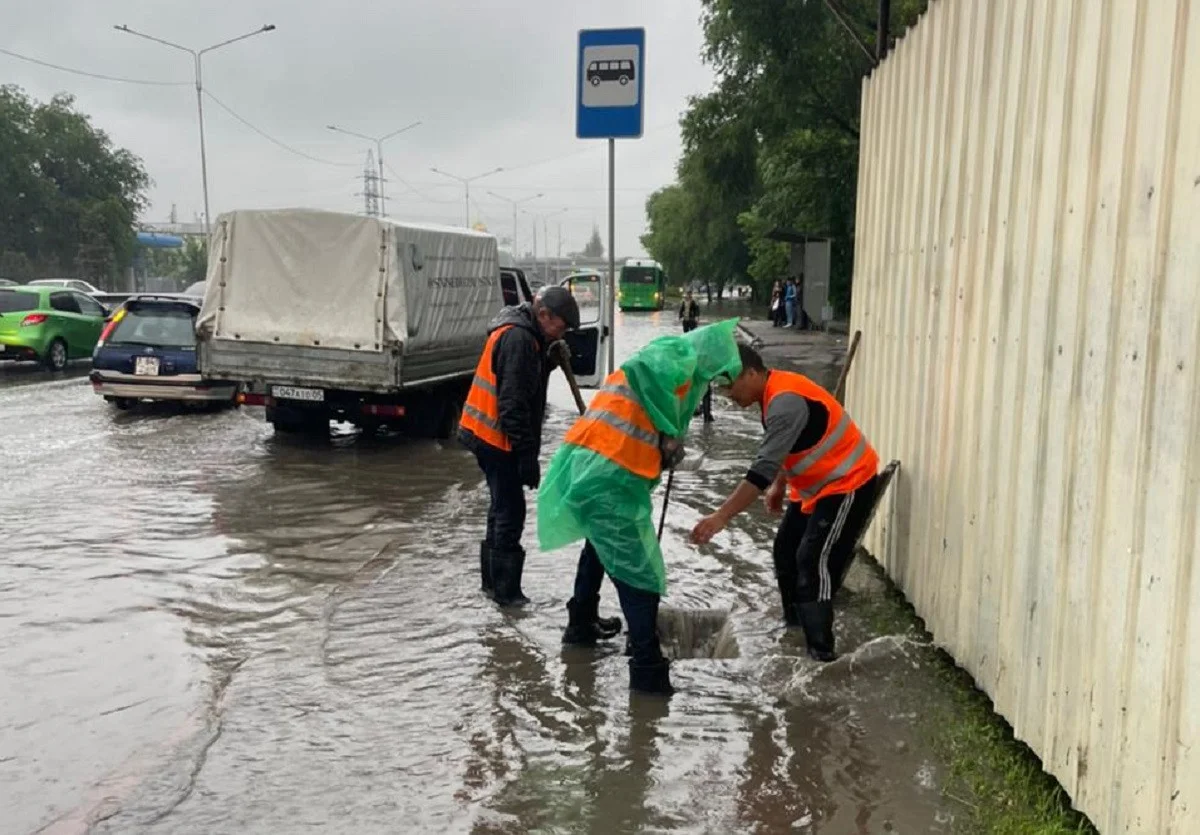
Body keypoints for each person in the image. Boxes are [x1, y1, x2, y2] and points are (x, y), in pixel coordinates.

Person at [538, 320, 743, 694]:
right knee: (640, 573)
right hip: (607, 477)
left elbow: (638, 416)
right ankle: (648, 669)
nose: (713, 382)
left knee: (599, 547)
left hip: (596, 469)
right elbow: (644, 373)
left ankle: (581, 627)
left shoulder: (676, 366)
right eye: (716, 374)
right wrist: (666, 431)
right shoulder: (671, 357)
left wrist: (663, 442)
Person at [690, 344, 880, 662]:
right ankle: (794, 628)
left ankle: (821, 654)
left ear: (751, 373)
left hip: (849, 481)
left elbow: (759, 472)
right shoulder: (772, 394)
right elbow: (788, 447)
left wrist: (721, 516)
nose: (727, 395)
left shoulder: (784, 403)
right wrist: (781, 484)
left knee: (811, 559)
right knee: (785, 551)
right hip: (814, 488)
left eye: (731, 385)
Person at [459, 285, 581, 607]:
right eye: (561, 325)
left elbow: (525, 380)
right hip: (497, 439)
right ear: (543, 315)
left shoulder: (524, 334)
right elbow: (513, 404)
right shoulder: (519, 339)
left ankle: (491, 587)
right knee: (511, 513)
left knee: (500, 509)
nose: (563, 332)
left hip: (487, 435)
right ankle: (506, 595)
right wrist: (526, 456)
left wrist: (549, 360)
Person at [678, 291, 713, 422]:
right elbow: (681, 310)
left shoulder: (693, 303)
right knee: (705, 391)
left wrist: (696, 317)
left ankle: (705, 413)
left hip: (691, 320)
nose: (687, 297)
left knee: (704, 391)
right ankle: (705, 414)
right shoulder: (702, 349)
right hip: (701, 376)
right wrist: (680, 316)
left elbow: (696, 310)